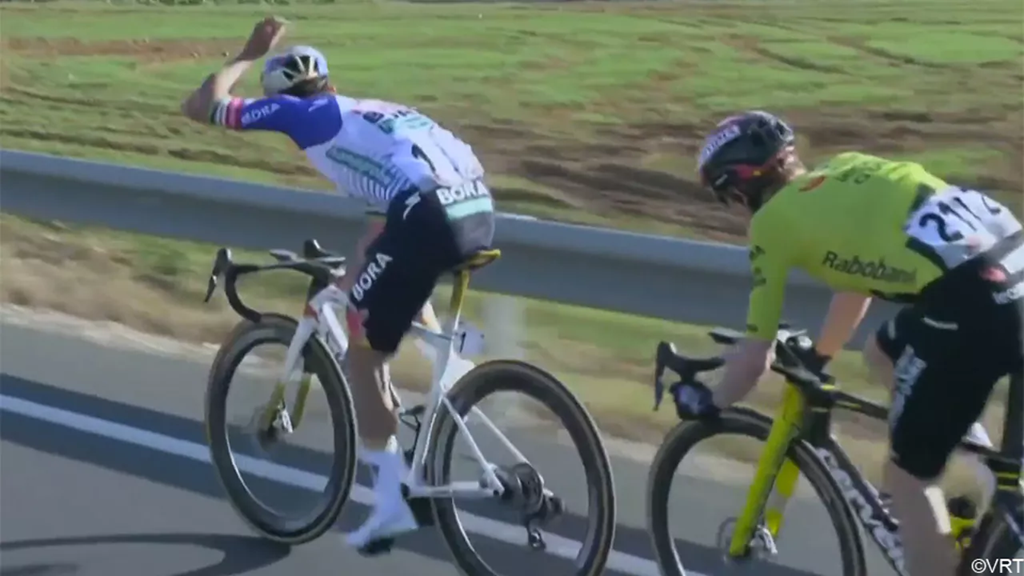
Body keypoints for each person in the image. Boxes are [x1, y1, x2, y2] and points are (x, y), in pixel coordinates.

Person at [181, 17, 496, 553]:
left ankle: (392, 504)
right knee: (393, 279)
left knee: (362, 350)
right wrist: (350, 279)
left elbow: (202, 104)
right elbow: (383, 232)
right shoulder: (367, 114)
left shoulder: (298, 113)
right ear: (329, 81)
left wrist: (251, 51)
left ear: (281, 96)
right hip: (476, 209)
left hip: (429, 216)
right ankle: (452, 377)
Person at [671, 110, 1023, 576]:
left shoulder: (771, 223)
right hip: (1012, 270)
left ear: (738, 192)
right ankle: (988, 487)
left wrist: (708, 401)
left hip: (974, 304)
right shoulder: (846, 167)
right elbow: (855, 286)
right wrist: (820, 357)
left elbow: (756, 357)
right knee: (882, 351)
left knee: (906, 477)